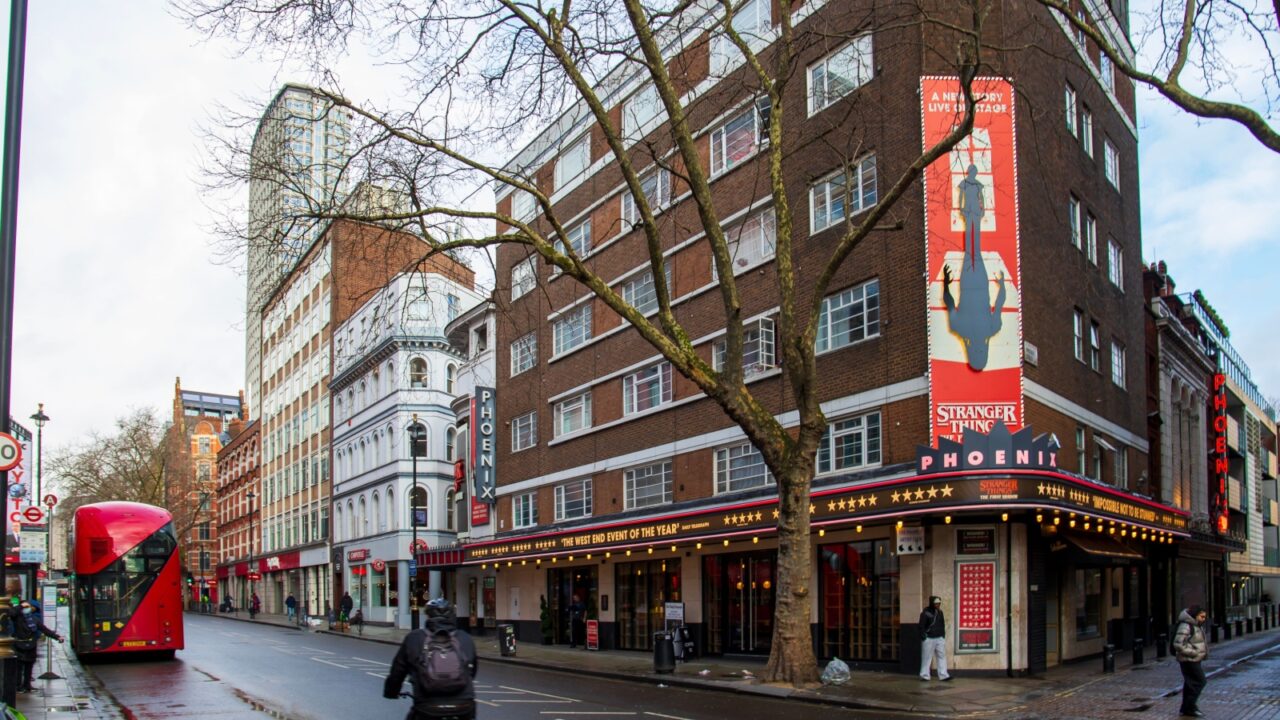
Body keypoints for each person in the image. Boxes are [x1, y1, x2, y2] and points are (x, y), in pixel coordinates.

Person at [384, 597, 478, 720]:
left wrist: (391, 691)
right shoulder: (465, 638)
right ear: (451, 616)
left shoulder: (414, 638)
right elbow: (472, 671)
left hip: (427, 706)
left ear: (428, 616)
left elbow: (398, 671)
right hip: (464, 705)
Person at [4, 598, 63, 693]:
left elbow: (45, 630)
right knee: (19, 668)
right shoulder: (17, 618)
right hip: (19, 645)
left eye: (28, 607)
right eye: (25, 607)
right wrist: (20, 606)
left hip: (31, 646)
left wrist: (57, 637)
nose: (27, 609)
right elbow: (10, 613)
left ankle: (27, 685)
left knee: (29, 667)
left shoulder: (34, 619)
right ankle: (18, 686)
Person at [1172, 605, 1209, 718]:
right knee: (1200, 681)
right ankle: (1190, 707)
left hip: (1194, 659)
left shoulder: (1196, 625)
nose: (1204, 619)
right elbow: (1178, 644)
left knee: (1190, 684)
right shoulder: (1186, 626)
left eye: (1205, 617)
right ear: (1195, 615)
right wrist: (1193, 652)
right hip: (1189, 659)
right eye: (1202, 616)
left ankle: (1186, 708)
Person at [918, 595, 951, 681]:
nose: (938, 605)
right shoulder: (926, 613)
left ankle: (943, 675)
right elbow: (921, 626)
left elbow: (942, 624)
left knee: (941, 656)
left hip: (939, 637)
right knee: (927, 657)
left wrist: (943, 635)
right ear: (932, 603)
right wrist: (924, 636)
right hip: (929, 638)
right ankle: (925, 675)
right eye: (936, 603)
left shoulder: (940, 612)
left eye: (939, 603)